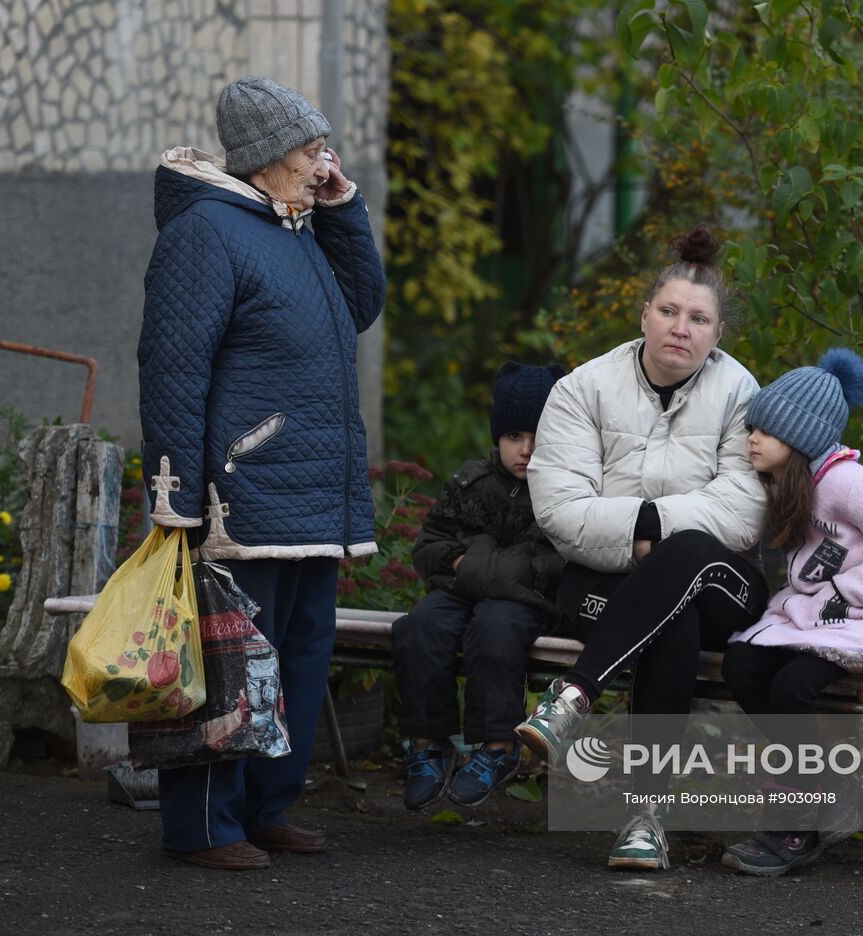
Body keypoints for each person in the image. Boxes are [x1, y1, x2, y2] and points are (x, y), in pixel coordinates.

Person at [138, 76, 386, 871]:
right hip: (239, 497)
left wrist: (345, 211)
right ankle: (205, 827)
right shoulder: (207, 231)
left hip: (314, 495)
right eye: (312, 152)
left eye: (323, 152)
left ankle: (269, 807)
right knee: (229, 661)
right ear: (265, 158)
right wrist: (173, 493)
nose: (323, 165)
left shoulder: (296, 227)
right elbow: (173, 366)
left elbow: (361, 306)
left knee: (299, 657)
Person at [514, 226, 768, 870]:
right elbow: (560, 510)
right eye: (669, 311)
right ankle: (646, 815)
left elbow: (742, 514)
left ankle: (571, 697)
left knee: (686, 562)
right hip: (603, 583)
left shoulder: (742, 395)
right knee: (669, 618)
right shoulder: (582, 389)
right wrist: (654, 534)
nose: (681, 328)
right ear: (644, 314)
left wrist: (648, 526)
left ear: (717, 334)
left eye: (699, 318)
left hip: (722, 588)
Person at [721, 349, 863, 875]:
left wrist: (844, 591)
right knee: (742, 665)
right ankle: (823, 779)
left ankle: (796, 818)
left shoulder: (851, 485)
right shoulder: (797, 487)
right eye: (752, 426)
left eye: (766, 431)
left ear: (800, 438)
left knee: (792, 686)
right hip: (824, 616)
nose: (753, 438)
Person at [393, 361, 567, 810]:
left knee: (494, 629)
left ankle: (497, 748)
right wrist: (457, 563)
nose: (526, 450)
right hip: (456, 591)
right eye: (514, 438)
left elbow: (555, 561)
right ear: (498, 437)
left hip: (522, 603)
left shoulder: (563, 490)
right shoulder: (470, 481)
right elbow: (431, 544)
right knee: (420, 626)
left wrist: (474, 564)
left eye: (537, 438)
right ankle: (428, 742)